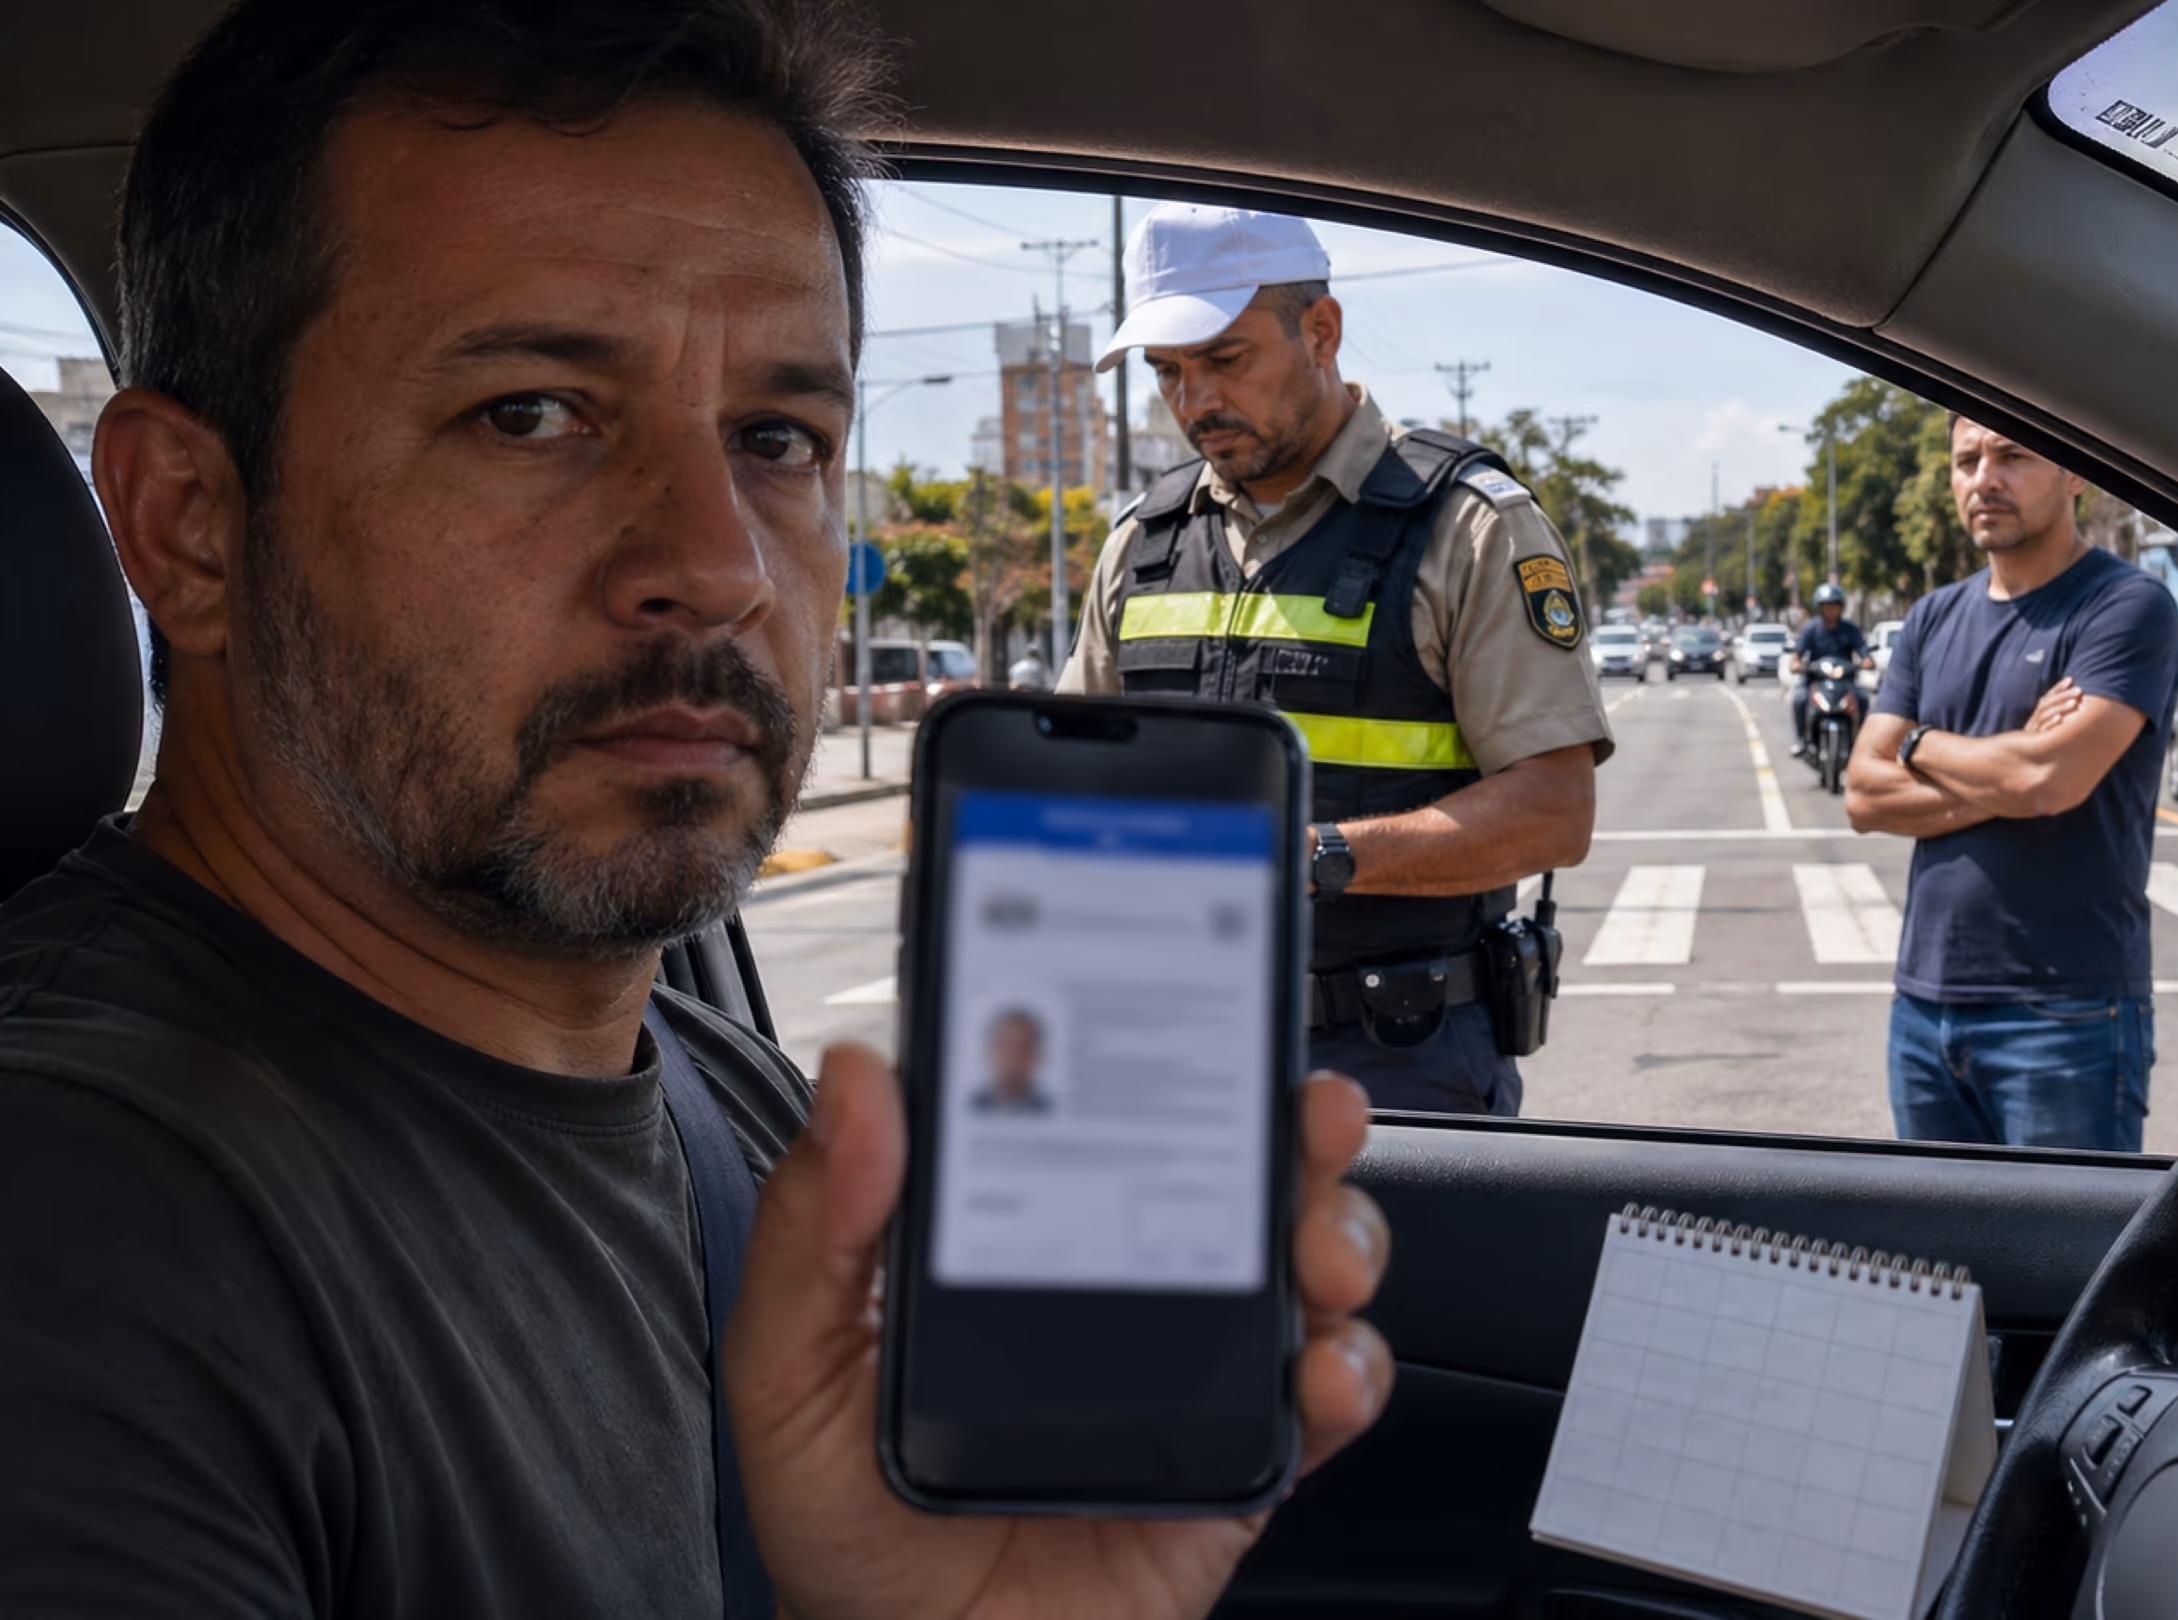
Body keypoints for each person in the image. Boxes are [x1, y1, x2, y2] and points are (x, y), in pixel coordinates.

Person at [0, 4, 1392, 1617]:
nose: (720, 564)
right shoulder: (74, 1235)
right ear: (188, 523)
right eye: (530, 414)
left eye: (776, 439)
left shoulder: (731, 1104)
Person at [1064, 203, 1610, 1117]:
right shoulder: (1141, 543)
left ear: (1321, 330)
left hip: (1398, 1070)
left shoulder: (1469, 527)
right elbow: (1068, 786)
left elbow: (1555, 811)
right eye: (1168, 371)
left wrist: (1316, 857)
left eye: (1225, 359)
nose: (1195, 402)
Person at [1844, 417, 2178, 1152]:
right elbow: (1863, 796)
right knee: (1932, 1232)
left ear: (2074, 473)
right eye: (1966, 460)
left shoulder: (2126, 606)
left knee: (2064, 1233)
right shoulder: (1932, 617)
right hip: (1924, 1008)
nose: (1984, 479)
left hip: (2067, 1014)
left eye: (2012, 455)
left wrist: (1917, 743)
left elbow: (2046, 780)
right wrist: (2013, 765)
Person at [1787, 581, 1871, 756]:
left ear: (1841, 607)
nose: (1830, 610)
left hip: (1845, 681)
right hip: (1816, 681)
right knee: (1799, 699)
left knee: (1863, 699)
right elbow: (1796, 656)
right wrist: (1797, 665)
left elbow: (1864, 653)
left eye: (1834, 606)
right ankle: (1801, 740)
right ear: (1820, 608)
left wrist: (1866, 661)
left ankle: (1860, 743)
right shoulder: (1811, 628)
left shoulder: (1850, 629)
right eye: (1826, 606)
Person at [970, 1007, 1051, 1115]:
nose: (1012, 1058)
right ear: (988, 1053)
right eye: (1003, 1046)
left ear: (1036, 1057)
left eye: (1022, 1049)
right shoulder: (973, 1106)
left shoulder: (1047, 1109)